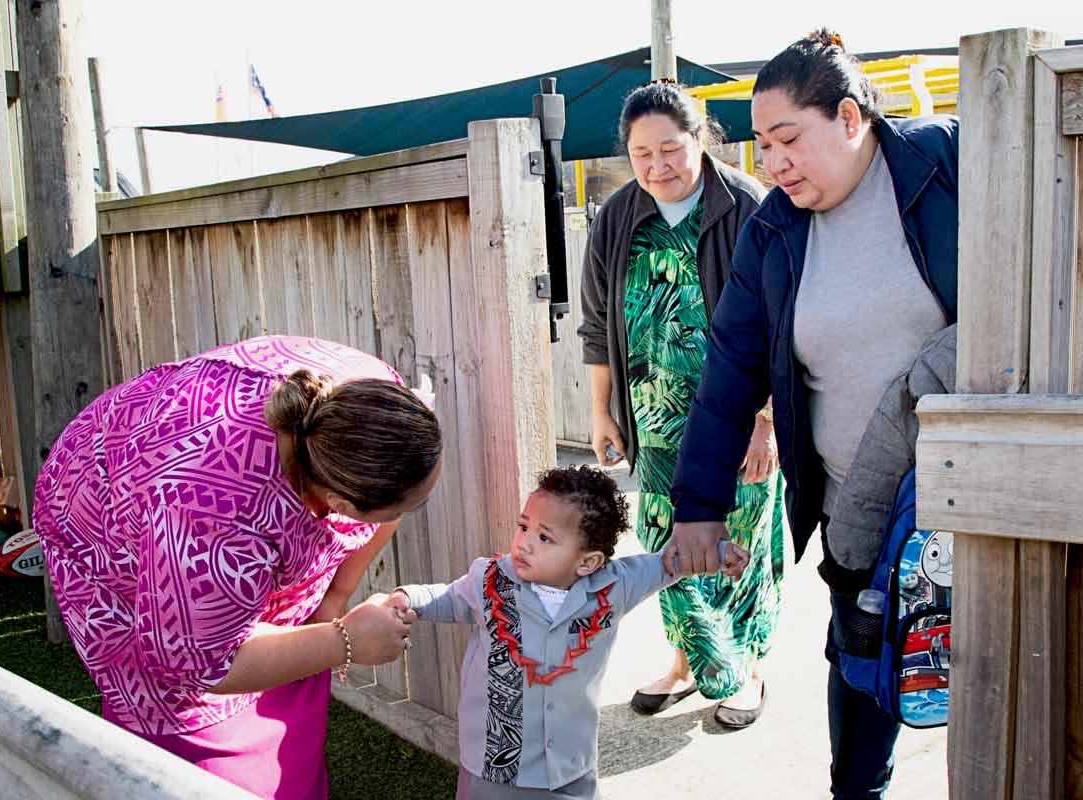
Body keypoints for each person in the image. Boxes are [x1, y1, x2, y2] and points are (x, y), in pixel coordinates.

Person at [662, 29, 959, 798]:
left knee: (987, 673)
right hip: (848, 504)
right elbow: (730, 368)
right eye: (762, 145)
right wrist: (699, 506)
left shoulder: (942, 163)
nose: (774, 164)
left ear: (851, 118)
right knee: (861, 668)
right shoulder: (775, 229)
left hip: (966, 498)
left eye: (789, 138)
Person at [33, 335, 443, 800]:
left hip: (199, 484)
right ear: (339, 501)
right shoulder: (214, 518)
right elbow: (203, 664)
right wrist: (344, 640)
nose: (410, 514)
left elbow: (385, 513)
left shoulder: (369, 408)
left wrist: (331, 603)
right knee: (194, 748)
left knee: (296, 657)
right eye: (408, 505)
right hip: (105, 511)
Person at [578, 80, 783, 726]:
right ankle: (687, 662)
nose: (658, 166)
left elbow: (783, 322)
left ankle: (744, 667)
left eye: (671, 148)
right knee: (665, 539)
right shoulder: (615, 218)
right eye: (643, 153)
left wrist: (767, 422)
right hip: (653, 419)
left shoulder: (748, 206)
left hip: (738, 420)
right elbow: (594, 324)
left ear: (700, 140)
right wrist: (602, 411)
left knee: (739, 538)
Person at [387, 465, 749, 800]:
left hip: (569, 766)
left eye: (545, 537)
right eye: (523, 526)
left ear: (588, 561)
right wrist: (407, 599)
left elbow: (670, 564)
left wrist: (719, 553)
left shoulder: (615, 586)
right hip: (493, 765)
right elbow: (447, 598)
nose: (525, 542)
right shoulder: (489, 580)